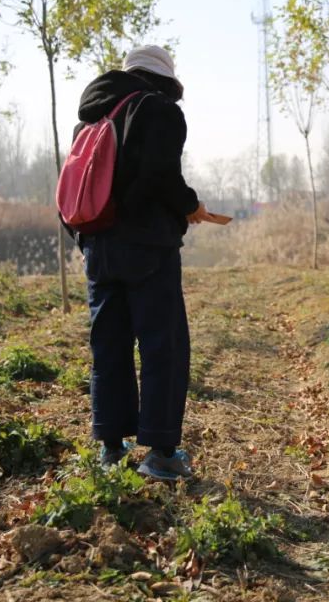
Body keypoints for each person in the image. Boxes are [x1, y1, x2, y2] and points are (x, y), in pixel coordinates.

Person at [72, 44, 207, 481]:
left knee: (108, 346)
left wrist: (88, 241)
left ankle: (111, 448)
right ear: (166, 80)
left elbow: (75, 187)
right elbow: (161, 178)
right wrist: (189, 206)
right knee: (162, 347)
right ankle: (162, 453)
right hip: (148, 249)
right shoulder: (159, 111)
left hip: (98, 247)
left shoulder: (89, 117)